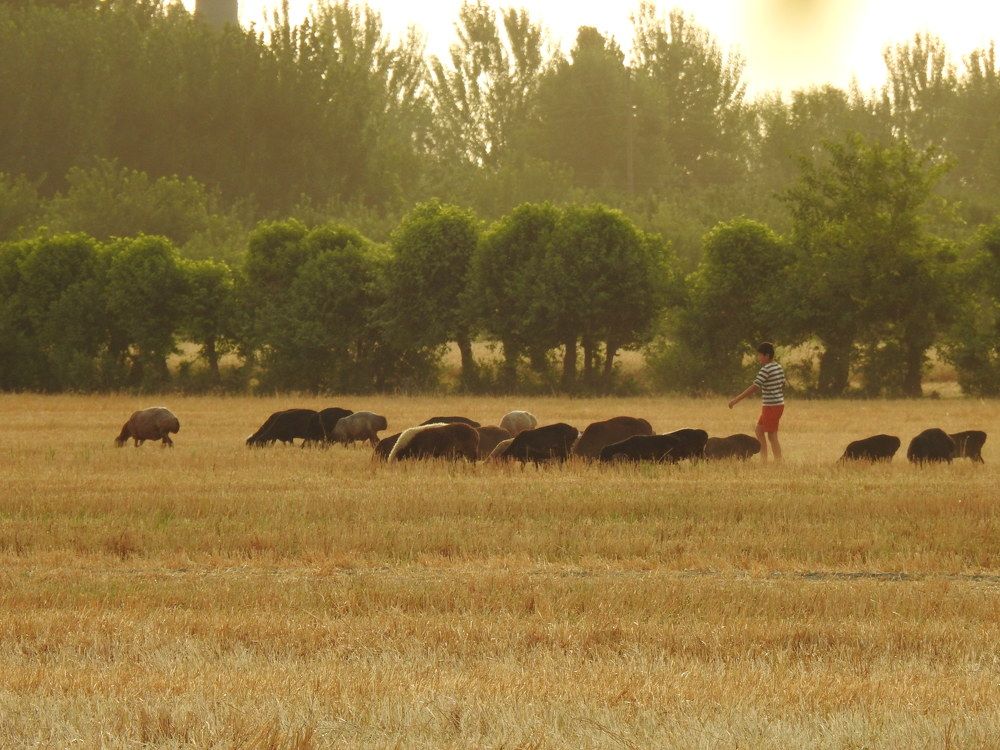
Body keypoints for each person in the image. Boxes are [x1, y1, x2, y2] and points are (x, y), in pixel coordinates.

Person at [728, 342, 785, 462]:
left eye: (760, 355)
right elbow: (782, 383)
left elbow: (754, 387)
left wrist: (736, 400)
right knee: (759, 431)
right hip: (776, 404)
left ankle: (778, 462)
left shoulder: (766, 369)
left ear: (767, 355)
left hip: (772, 406)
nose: (758, 358)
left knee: (772, 435)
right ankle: (764, 460)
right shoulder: (778, 367)